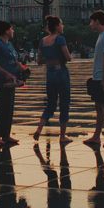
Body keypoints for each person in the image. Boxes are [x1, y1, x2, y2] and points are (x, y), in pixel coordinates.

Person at [33, 15, 73, 143]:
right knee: (64, 103)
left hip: (50, 74)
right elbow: (68, 57)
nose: (63, 26)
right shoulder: (60, 39)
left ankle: (39, 129)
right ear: (56, 26)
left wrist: (49, 59)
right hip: (61, 72)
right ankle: (62, 136)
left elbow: (39, 61)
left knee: (50, 104)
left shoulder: (43, 41)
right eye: (61, 24)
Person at [0, 21, 24, 148]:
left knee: (9, 108)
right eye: (11, 29)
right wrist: (6, 73)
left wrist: (21, 68)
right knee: (3, 109)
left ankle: (6, 135)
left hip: (11, 81)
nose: (13, 31)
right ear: (6, 31)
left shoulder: (9, 44)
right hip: (2, 81)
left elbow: (13, 60)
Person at [84, 10, 104, 148]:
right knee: (98, 107)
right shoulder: (101, 36)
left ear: (97, 21)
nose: (90, 24)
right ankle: (96, 136)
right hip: (98, 77)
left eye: (91, 21)